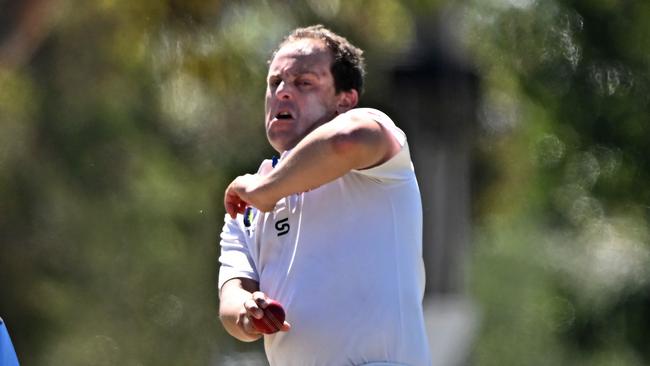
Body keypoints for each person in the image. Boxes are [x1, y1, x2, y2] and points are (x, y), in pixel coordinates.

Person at [218, 25, 431, 366]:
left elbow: (345, 142)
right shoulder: (249, 203)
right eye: (275, 83)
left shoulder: (367, 131)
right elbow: (231, 296)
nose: (283, 93)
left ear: (344, 101)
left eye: (304, 82)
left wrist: (265, 190)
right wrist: (248, 314)